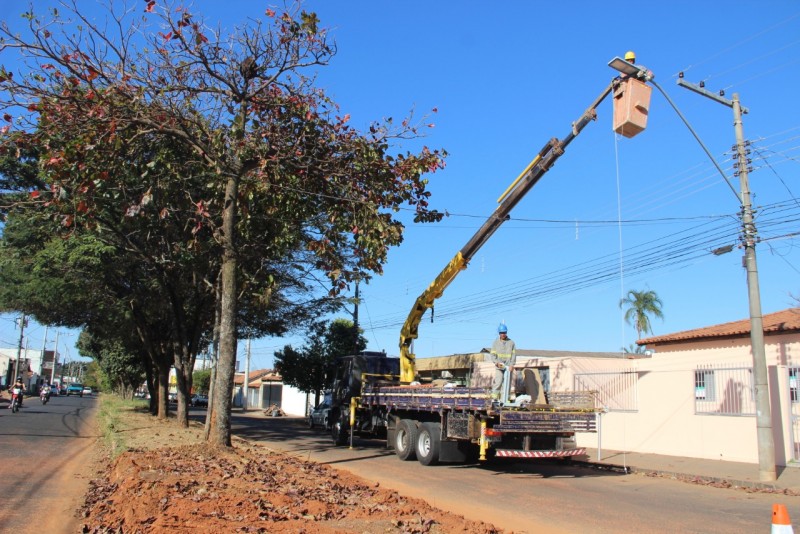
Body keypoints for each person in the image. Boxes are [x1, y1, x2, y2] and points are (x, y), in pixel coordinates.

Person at [488, 323, 516, 401]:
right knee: (499, 381)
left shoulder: (511, 343)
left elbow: (513, 355)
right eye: (501, 333)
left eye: (504, 332)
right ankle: (494, 397)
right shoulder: (495, 343)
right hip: (499, 366)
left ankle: (506, 398)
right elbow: (493, 354)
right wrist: (496, 362)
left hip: (508, 366)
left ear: (506, 332)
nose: (503, 334)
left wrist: (512, 365)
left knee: (507, 383)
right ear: (499, 333)